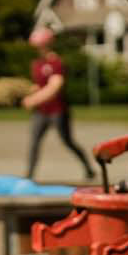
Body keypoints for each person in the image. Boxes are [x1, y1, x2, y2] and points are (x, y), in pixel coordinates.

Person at [23, 27, 95, 181]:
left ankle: (88, 168)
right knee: (34, 141)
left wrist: (33, 100)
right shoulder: (36, 64)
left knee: (68, 141)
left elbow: (54, 87)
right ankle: (29, 175)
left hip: (57, 110)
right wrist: (26, 90)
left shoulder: (56, 63)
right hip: (41, 111)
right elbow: (39, 85)